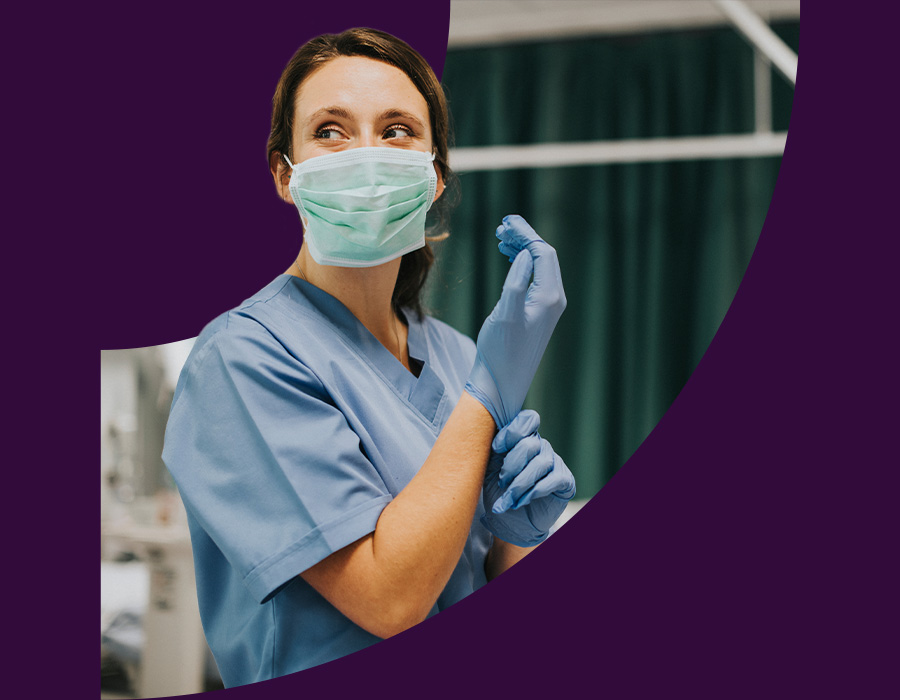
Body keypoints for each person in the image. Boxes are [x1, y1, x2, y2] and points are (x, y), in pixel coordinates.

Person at [162, 27, 575, 687]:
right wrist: (488, 394)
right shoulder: (242, 360)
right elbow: (390, 600)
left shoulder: (457, 355)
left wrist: (518, 536)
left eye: (397, 130)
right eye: (329, 130)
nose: (365, 155)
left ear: (433, 176)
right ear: (283, 174)